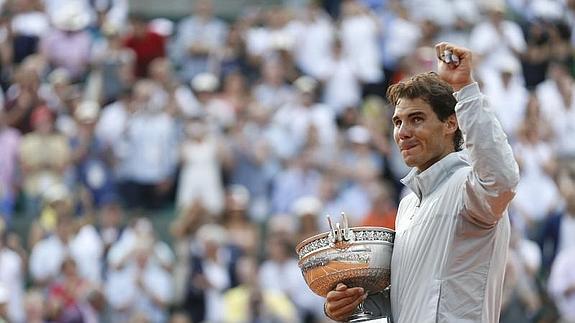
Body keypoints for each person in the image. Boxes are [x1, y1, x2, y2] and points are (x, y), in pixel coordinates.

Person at [324, 42, 520, 322]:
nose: (403, 132)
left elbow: (503, 179)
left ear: (451, 123)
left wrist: (465, 89)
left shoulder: (470, 187)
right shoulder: (407, 205)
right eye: (397, 122)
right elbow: (403, 305)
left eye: (416, 119)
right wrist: (350, 305)